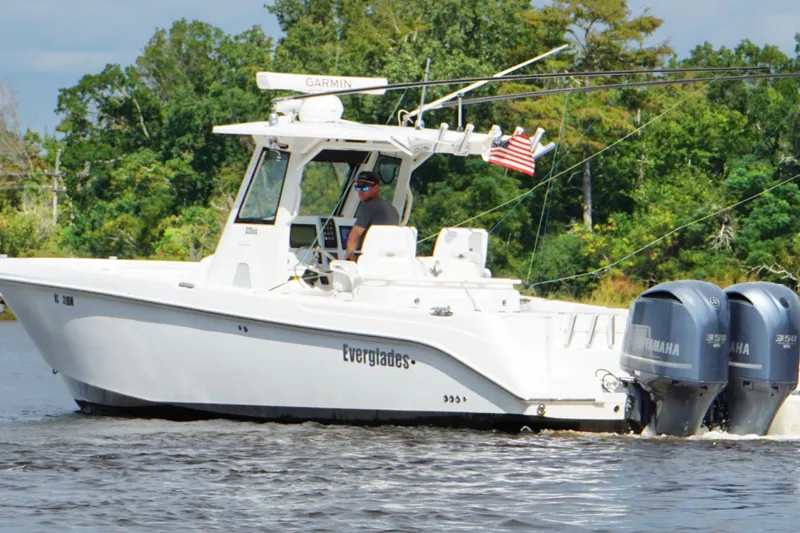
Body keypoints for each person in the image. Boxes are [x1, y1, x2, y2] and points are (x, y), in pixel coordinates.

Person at [344, 171, 400, 260]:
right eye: (358, 187)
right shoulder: (392, 208)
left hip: (369, 260)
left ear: (376, 188)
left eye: (365, 188)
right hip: (387, 260)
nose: (360, 192)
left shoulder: (368, 206)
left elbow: (353, 238)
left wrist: (347, 259)